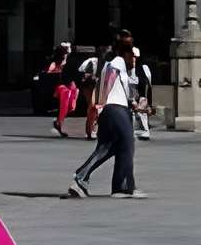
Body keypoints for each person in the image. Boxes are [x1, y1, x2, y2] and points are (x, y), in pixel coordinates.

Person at [67, 41, 139, 199]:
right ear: (124, 54)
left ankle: (121, 187)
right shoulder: (117, 62)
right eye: (132, 56)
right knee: (125, 144)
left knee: (111, 147)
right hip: (116, 109)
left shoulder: (116, 67)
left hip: (114, 109)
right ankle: (83, 177)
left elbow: (125, 90)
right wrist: (102, 102)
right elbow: (110, 77)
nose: (134, 60)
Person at [43, 47, 76, 137]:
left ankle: (58, 121)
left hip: (68, 85)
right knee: (65, 99)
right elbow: (49, 74)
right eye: (64, 54)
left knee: (70, 106)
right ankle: (60, 123)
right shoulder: (55, 63)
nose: (65, 55)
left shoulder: (68, 63)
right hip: (60, 86)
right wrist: (56, 71)